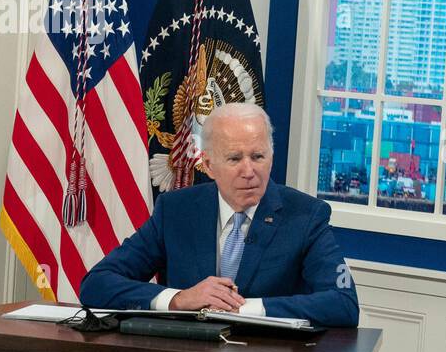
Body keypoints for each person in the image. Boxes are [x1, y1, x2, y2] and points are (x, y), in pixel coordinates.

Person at [79, 102, 360, 326]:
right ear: (209, 165)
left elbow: (343, 302)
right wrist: (178, 299)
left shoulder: (307, 216)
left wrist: (246, 307)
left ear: (271, 158)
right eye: (235, 159)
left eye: (258, 156)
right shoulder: (176, 211)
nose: (249, 171)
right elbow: (97, 284)